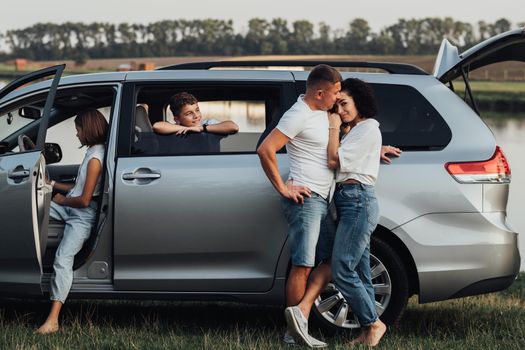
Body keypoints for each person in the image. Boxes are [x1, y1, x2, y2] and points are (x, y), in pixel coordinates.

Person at [291, 78, 388, 347]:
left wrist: (334, 125)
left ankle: (374, 323)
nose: (340, 110)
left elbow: (334, 160)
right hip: (347, 200)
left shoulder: (368, 128)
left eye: (344, 104)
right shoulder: (357, 130)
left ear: (360, 102)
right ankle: (368, 333)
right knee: (361, 270)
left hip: (358, 201)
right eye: (337, 104)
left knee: (342, 268)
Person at [257, 64, 342, 348]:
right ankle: (293, 334)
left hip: (323, 199)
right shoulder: (298, 115)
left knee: (332, 259)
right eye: (335, 93)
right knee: (303, 265)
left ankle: (301, 312)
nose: (338, 99)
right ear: (319, 92)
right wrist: (283, 187)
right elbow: (266, 149)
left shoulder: (321, 113)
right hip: (306, 200)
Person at [36, 109, 108, 334]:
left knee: (62, 258)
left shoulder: (96, 158)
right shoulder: (92, 151)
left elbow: (85, 200)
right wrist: (53, 185)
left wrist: (61, 200)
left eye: (77, 130)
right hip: (72, 207)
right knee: (36, 206)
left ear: (88, 130)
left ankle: (53, 320)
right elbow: (78, 187)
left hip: (82, 214)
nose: (76, 134)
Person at [152, 92, 239, 135]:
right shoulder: (174, 128)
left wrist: (201, 129)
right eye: (189, 113)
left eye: (197, 110)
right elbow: (157, 126)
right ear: (177, 119)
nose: (196, 116)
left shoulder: (208, 124)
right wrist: (186, 128)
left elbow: (233, 127)